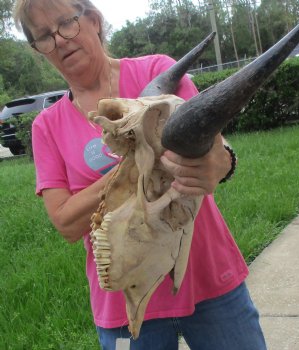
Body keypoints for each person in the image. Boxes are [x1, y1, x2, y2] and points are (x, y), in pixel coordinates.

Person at [14, 0, 267, 349]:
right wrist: (138, 157)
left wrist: (222, 163)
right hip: (125, 307)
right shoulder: (47, 126)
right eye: (44, 36)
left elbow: (214, 152)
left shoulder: (159, 71)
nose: (60, 41)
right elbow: (65, 222)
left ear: (94, 20)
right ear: (38, 49)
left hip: (209, 279)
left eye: (66, 24)